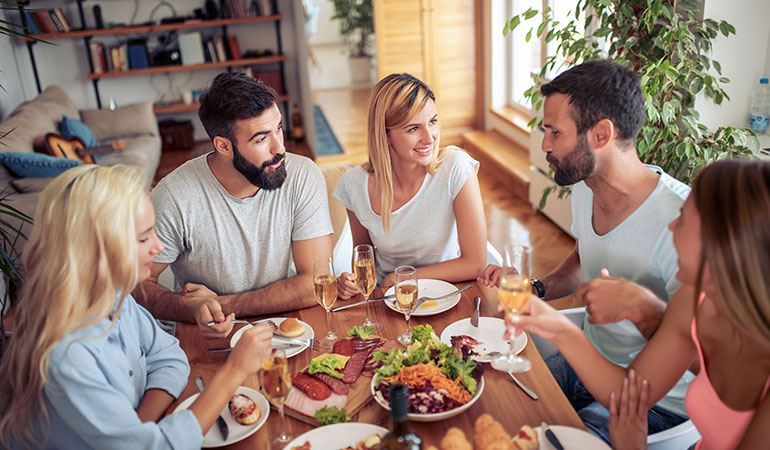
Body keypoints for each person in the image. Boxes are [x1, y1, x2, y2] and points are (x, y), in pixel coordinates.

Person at [478, 60, 692, 441]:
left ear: (601, 134)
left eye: (554, 133)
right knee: (490, 403)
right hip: (585, 364)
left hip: (653, 404)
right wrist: (535, 289)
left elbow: (698, 350)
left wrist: (641, 307)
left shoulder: (684, 223)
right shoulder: (584, 186)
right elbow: (583, 259)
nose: (545, 145)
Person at [0, 165, 273, 449]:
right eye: (143, 238)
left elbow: (168, 356)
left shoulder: (113, 297)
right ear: (97, 249)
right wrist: (233, 371)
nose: (158, 247)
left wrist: (140, 430)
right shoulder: (67, 355)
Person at [512, 159, 770, 448]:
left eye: (683, 219)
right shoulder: (690, 300)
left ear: (725, 244)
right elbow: (628, 394)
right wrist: (560, 329)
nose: (671, 226)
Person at [133, 72, 333, 338]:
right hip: (209, 333)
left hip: (287, 326)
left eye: (279, 128)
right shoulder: (174, 196)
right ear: (223, 146)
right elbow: (137, 286)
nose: (280, 148)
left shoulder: (302, 174)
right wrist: (194, 310)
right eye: (261, 139)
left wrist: (220, 305)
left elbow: (316, 284)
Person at [334, 73, 487, 296]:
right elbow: (365, 262)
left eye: (432, 122)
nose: (429, 137)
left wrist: (403, 277)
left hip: (449, 293)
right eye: (413, 128)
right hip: (388, 299)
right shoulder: (355, 185)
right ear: (385, 135)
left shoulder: (455, 167)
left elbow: (475, 263)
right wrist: (350, 283)